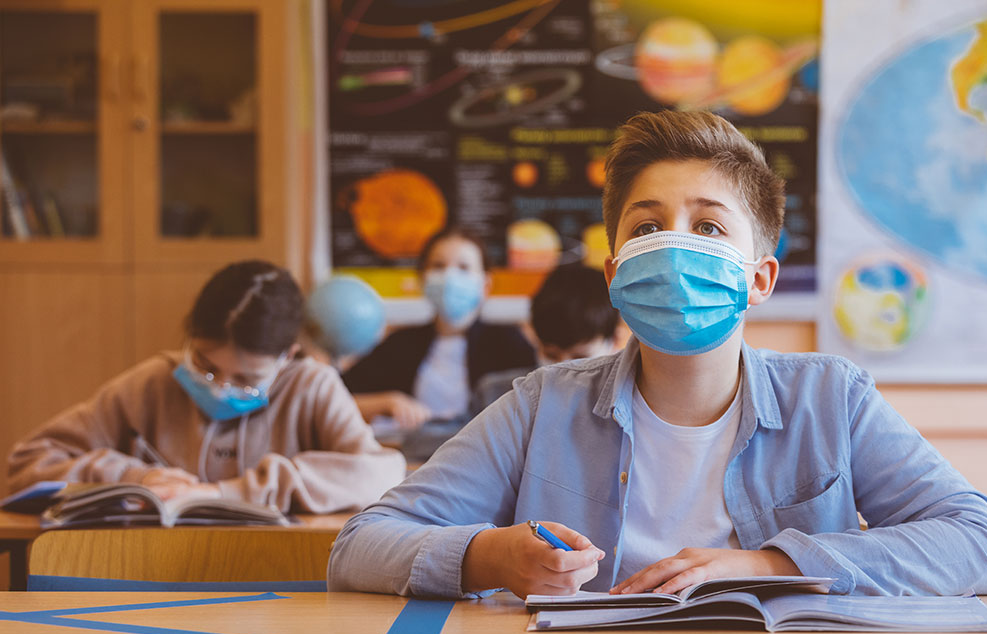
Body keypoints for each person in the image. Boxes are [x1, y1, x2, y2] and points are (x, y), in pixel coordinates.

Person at [328, 110, 987, 599]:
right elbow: (360, 543)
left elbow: (984, 547)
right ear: (615, 272)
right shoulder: (542, 404)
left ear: (759, 279)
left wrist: (766, 565)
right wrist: (488, 555)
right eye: (648, 225)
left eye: (709, 225)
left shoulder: (832, 398)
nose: (675, 244)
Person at [7, 260, 406, 513]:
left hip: (278, 581)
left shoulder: (311, 385)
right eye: (204, 365)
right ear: (189, 338)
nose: (219, 387)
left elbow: (381, 473)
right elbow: (27, 462)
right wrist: (133, 476)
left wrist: (231, 493)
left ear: (287, 357)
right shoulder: (151, 383)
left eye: (246, 379)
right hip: (148, 576)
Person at [344, 226, 536, 430]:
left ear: (485, 284)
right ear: (422, 278)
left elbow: (533, 410)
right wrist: (387, 402)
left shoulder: (509, 344)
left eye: (463, 267)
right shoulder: (399, 344)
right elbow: (339, 398)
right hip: (415, 458)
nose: (449, 276)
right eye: (438, 265)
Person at [472, 262, 621, 412]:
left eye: (580, 358)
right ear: (532, 337)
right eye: (551, 355)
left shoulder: (627, 402)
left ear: (615, 340)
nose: (564, 370)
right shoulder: (497, 396)